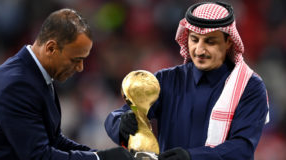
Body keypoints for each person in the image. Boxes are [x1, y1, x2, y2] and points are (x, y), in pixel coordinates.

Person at [104, 2, 270, 160]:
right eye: (194, 40)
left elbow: (242, 148)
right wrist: (122, 123)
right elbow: (118, 115)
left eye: (210, 41)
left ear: (228, 42)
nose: (199, 49)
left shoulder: (249, 87)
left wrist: (191, 157)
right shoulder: (167, 80)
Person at [0, 8, 134, 160]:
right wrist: (100, 158)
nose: (80, 68)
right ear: (51, 48)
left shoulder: (33, 74)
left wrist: (99, 155)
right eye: (75, 60)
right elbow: (39, 156)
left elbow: (54, 140)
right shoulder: (16, 85)